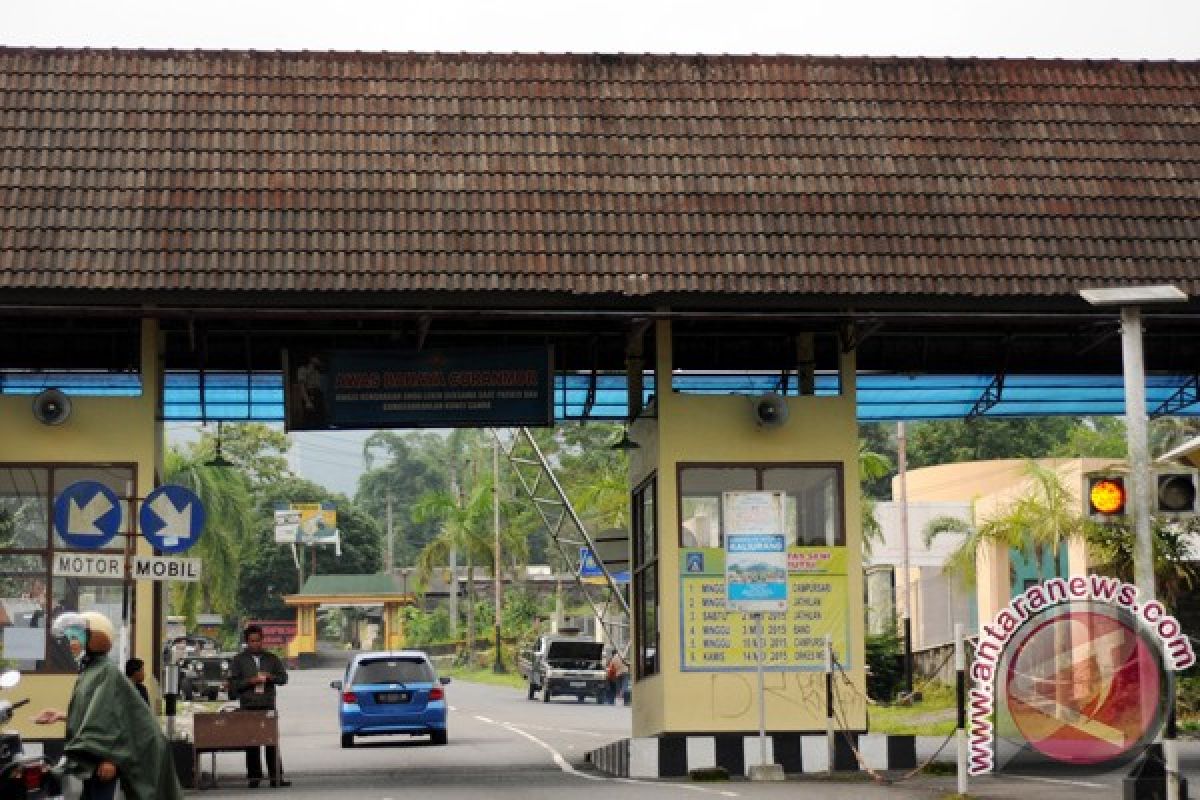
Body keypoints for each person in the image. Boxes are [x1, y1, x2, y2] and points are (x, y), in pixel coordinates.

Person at [34, 611, 183, 800]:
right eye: (70, 638)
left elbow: (113, 720)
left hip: (104, 759)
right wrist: (61, 715)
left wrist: (111, 759)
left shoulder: (106, 672)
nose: (71, 644)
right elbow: (96, 712)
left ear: (95, 639)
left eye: (76, 637)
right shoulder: (92, 671)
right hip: (95, 759)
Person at [228, 624, 291, 788]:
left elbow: (284, 678)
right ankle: (254, 777)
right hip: (249, 706)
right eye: (252, 641)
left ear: (262, 640)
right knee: (252, 743)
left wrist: (270, 677)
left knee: (271, 742)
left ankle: (276, 777)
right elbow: (233, 685)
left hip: (268, 705)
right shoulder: (238, 660)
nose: (255, 644)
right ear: (247, 642)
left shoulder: (271, 659)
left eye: (258, 640)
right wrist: (250, 681)